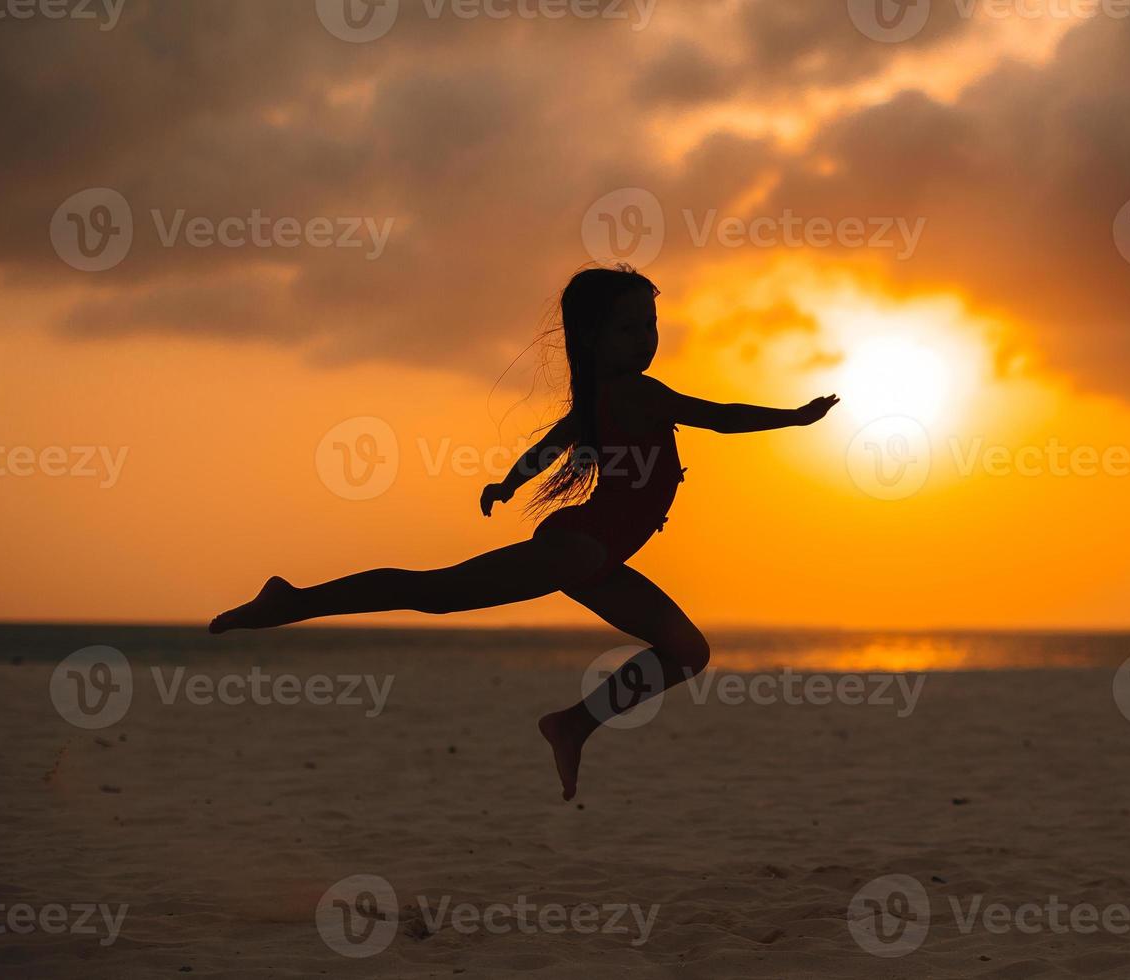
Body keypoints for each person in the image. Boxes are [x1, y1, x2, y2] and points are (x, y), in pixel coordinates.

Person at [208, 265, 840, 799]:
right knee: (434, 591)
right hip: (578, 550)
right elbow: (719, 417)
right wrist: (794, 416)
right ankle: (291, 600)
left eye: (650, 325)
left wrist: (508, 484)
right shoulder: (637, 394)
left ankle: (572, 726)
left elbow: (551, 445)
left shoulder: (601, 398)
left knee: (687, 653)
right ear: (593, 339)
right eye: (629, 328)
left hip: (592, 556)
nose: (645, 338)